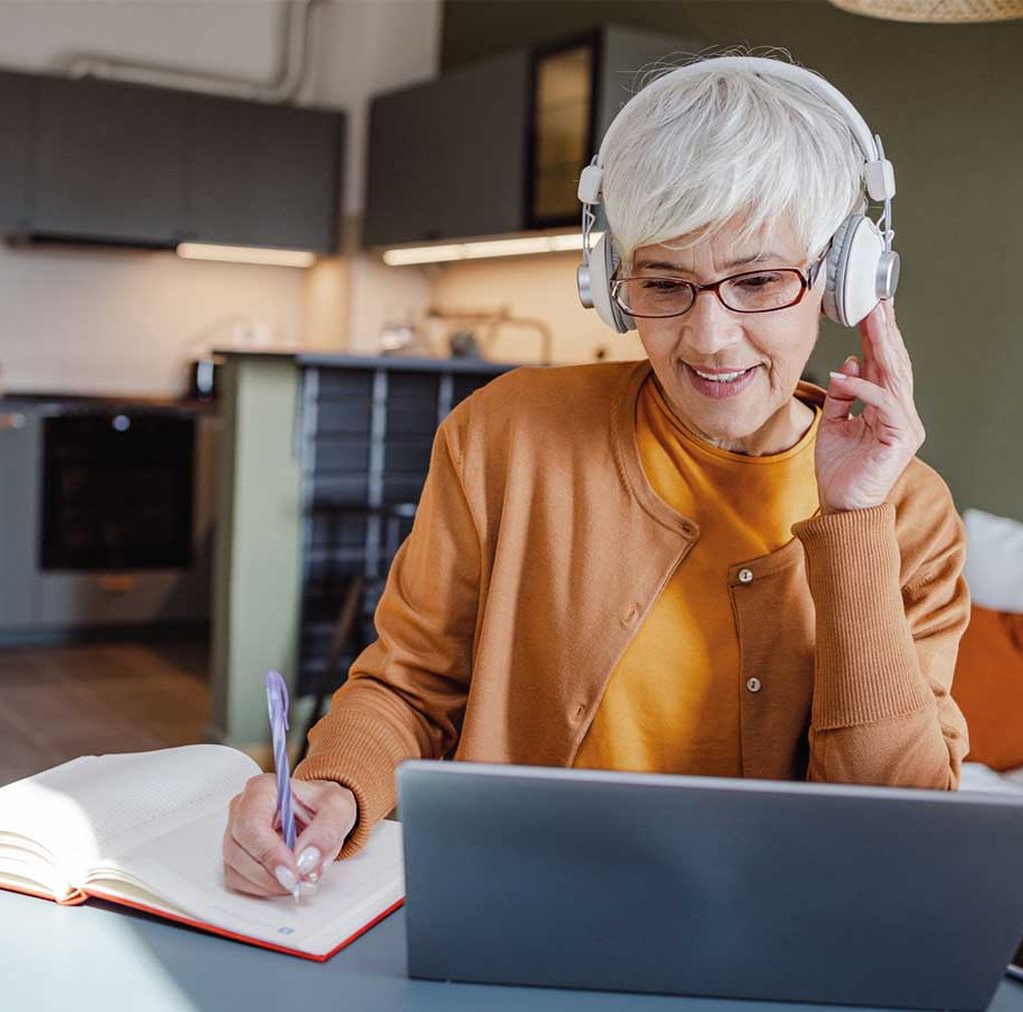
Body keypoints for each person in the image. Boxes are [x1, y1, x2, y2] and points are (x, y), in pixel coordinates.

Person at [222, 50, 970, 900]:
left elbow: (899, 830)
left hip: (775, 927)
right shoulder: (506, 436)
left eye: (759, 280)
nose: (708, 338)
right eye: (665, 283)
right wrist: (334, 787)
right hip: (518, 902)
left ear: (843, 282)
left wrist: (854, 524)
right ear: (614, 288)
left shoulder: (909, 511)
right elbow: (412, 686)